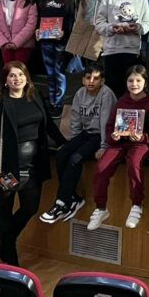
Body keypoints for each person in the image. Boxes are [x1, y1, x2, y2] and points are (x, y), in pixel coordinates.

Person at [0, 61, 65, 266]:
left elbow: (49, 124)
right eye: (12, 75)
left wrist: (64, 143)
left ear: (26, 77)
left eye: (20, 74)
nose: (17, 79)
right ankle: (9, 254)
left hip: (33, 167)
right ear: (5, 81)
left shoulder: (35, 96)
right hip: (8, 169)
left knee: (30, 207)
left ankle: (7, 240)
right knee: (5, 207)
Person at [86, 65, 149, 231]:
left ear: (145, 82)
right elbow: (109, 126)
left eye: (138, 80)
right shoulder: (121, 101)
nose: (134, 84)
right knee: (101, 168)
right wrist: (113, 137)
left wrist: (142, 137)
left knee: (134, 164)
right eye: (130, 80)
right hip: (119, 143)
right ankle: (100, 208)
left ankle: (136, 205)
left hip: (140, 143)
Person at [40, 63, 117, 224]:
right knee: (62, 154)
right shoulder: (80, 93)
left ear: (102, 81)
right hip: (86, 134)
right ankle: (74, 198)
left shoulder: (106, 94)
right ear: (83, 80)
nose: (91, 81)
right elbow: (75, 120)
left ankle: (61, 203)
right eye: (88, 78)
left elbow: (106, 123)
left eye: (96, 78)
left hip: (100, 135)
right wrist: (73, 142)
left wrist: (104, 146)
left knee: (76, 158)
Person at [95, 0, 149, 98]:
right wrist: (111, 28)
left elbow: (147, 24)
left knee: (132, 88)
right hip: (112, 50)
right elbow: (99, 23)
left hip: (132, 51)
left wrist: (137, 28)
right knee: (112, 89)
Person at [36, 0, 77, 117]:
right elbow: (37, 19)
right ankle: (52, 101)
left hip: (61, 43)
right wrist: (37, 30)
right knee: (50, 73)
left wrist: (64, 33)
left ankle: (58, 104)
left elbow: (70, 22)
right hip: (45, 41)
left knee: (59, 73)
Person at [74, 0, 112, 64]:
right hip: (86, 36)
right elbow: (79, 18)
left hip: (102, 39)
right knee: (87, 66)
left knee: (100, 67)